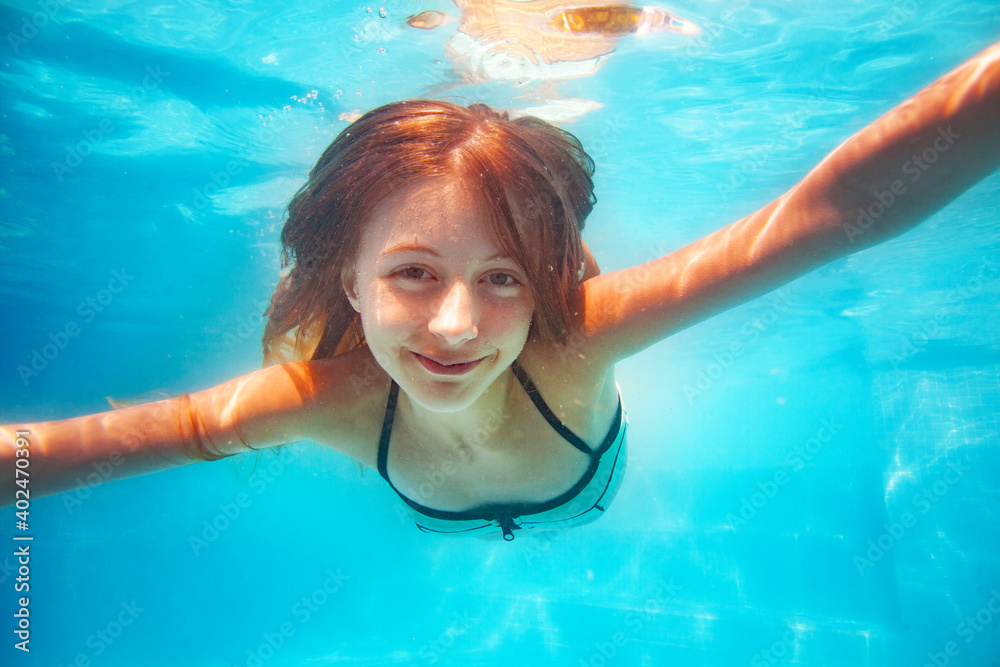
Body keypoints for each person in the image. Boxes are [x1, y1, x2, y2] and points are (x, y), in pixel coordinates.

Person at [2, 41, 998, 541]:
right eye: (411, 275)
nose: (455, 326)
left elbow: (833, 214)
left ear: (547, 283)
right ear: (345, 278)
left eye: (502, 278)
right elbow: (61, 452)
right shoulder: (324, 398)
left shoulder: (572, 336)